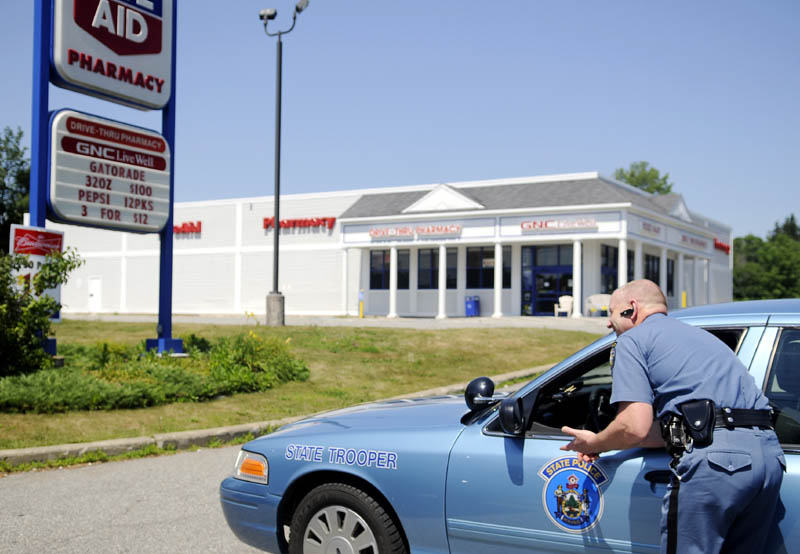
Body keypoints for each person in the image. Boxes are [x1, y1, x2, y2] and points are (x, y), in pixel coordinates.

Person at [560, 279, 785, 554]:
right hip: (769, 460)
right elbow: (670, 430)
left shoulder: (633, 340)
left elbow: (634, 427)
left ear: (631, 309)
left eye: (611, 312)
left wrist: (594, 443)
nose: (608, 323)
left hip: (715, 466)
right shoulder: (702, 337)